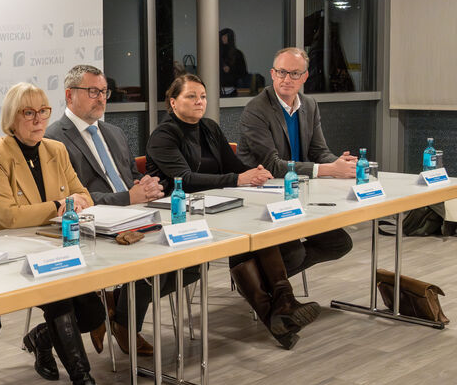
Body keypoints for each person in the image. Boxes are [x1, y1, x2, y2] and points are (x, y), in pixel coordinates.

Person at [0, 82, 121, 385]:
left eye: (43, 112)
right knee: (60, 303)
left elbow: (84, 195)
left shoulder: (55, 149)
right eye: (29, 113)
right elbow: (8, 216)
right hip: (11, 255)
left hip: (57, 246)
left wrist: (61, 206)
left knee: (91, 312)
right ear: (13, 117)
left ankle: (41, 338)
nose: (39, 120)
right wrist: (59, 206)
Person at [146, 75, 320, 349]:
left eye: (202, 96)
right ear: (173, 102)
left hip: (218, 206)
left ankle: (281, 308)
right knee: (252, 236)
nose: (199, 102)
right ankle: (281, 306)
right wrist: (238, 179)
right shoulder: (163, 135)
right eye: (191, 96)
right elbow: (185, 179)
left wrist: (255, 173)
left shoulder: (210, 128)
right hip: (181, 215)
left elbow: (233, 165)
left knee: (259, 229)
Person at [45, 64, 184, 358]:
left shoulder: (114, 132)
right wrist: (128, 197)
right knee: (152, 259)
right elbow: (70, 198)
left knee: (191, 259)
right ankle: (116, 317)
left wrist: (144, 186)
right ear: (70, 95)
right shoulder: (54, 138)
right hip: (93, 229)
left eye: (104, 91)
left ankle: (119, 314)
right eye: (92, 91)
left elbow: (130, 175)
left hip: (136, 216)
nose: (101, 98)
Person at [237, 47, 354, 276]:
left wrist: (342, 165)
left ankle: (262, 281)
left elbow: (319, 151)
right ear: (272, 74)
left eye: (294, 74)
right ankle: (265, 287)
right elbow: (273, 165)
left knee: (340, 243)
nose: (287, 79)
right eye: (281, 72)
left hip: (297, 194)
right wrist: (329, 169)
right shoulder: (256, 109)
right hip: (261, 197)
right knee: (293, 254)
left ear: (305, 77)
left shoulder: (309, 105)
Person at [219, 28, 248, 97]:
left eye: (226, 36)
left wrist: (230, 70)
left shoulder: (237, 54)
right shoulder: (216, 54)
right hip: (218, 88)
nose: (223, 38)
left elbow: (242, 72)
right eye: (222, 36)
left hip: (233, 88)